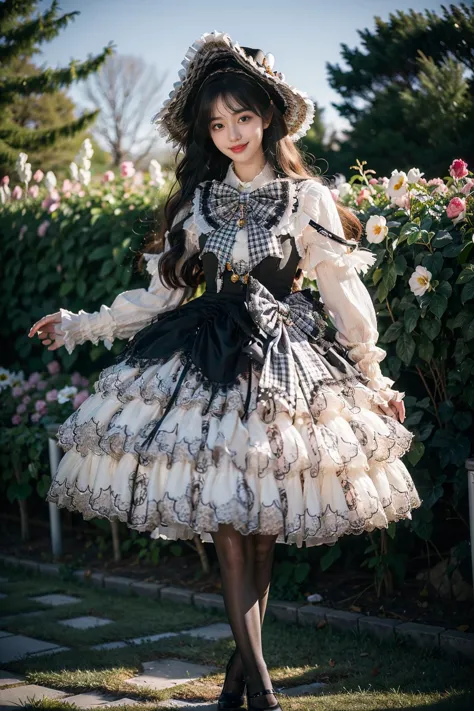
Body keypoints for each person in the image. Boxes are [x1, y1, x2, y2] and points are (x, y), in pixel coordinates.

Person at [29, 32, 421, 711]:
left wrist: (375, 378)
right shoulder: (197, 203)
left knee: (262, 534)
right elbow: (156, 299)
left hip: (282, 374)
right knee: (232, 534)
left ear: (267, 115)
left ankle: (238, 685)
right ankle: (263, 693)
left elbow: (341, 295)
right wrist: (77, 323)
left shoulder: (306, 200)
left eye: (242, 116)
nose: (231, 133)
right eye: (217, 123)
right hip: (204, 371)